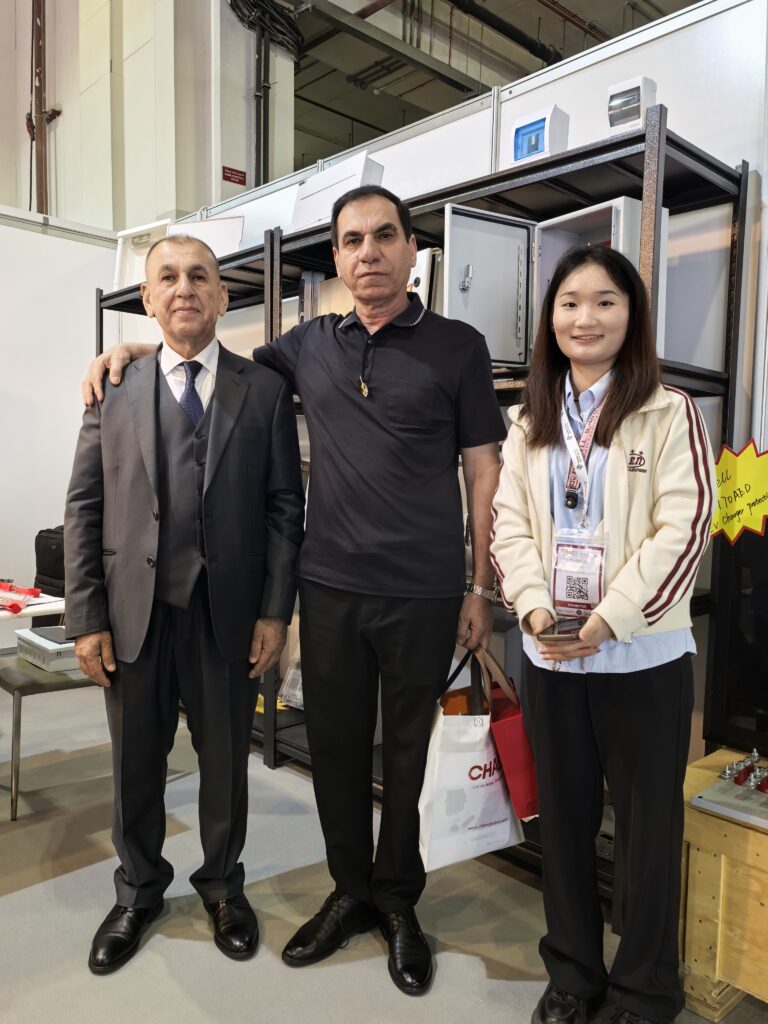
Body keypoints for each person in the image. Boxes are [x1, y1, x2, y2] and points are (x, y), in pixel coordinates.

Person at [81, 185, 507, 995]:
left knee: (408, 758)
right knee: (339, 751)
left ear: (413, 250)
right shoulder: (308, 344)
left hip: (423, 589)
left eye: (385, 237)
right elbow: (207, 357)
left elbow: (484, 466)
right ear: (338, 257)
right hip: (332, 586)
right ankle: (350, 893)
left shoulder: (459, 346)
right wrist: (134, 353)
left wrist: (478, 583)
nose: (368, 253)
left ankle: (398, 901)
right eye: (352, 241)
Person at [65, 235, 304, 974]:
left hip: (225, 612)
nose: (184, 288)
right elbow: (83, 506)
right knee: (135, 764)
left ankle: (223, 888)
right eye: (167, 277)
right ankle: (137, 891)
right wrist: (86, 618)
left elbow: (282, 508)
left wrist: (275, 611)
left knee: (226, 761)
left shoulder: (260, 389)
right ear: (148, 299)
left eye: (200, 276)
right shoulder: (114, 387)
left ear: (223, 296)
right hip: (134, 611)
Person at [490, 245, 715, 1024]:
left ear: (632, 314)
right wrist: (533, 610)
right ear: (549, 320)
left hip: (642, 657)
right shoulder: (528, 420)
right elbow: (508, 525)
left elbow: (684, 531)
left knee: (650, 829)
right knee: (564, 819)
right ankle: (573, 975)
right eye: (569, 303)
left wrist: (609, 619)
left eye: (605, 301)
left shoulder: (669, 409)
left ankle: (646, 989)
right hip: (552, 654)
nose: (585, 318)